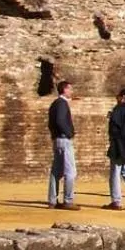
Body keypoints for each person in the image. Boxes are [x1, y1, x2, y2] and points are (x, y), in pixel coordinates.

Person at [47, 79, 78, 210]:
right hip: (64, 139)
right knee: (70, 171)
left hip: (57, 139)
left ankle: (52, 200)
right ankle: (68, 200)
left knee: (56, 171)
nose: (71, 91)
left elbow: (51, 123)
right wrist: (69, 133)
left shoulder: (55, 104)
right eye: (70, 89)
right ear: (64, 90)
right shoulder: (61, 104)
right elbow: (60, 121)